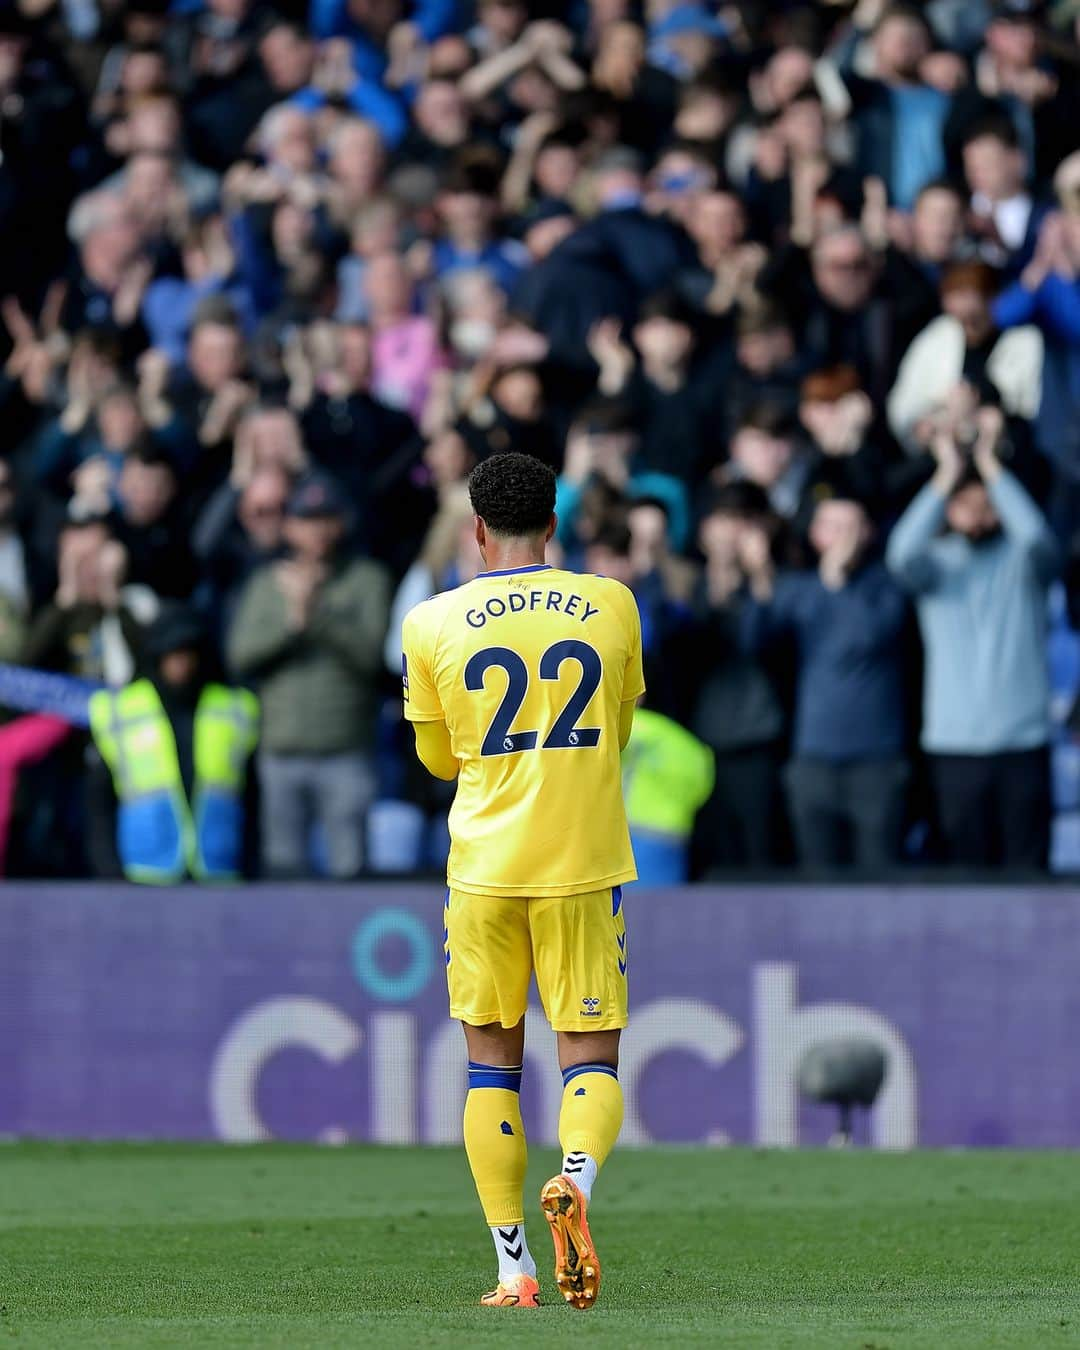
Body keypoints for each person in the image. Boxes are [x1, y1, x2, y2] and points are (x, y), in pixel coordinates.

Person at [401, 452, 643, 1310]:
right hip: (581, 864)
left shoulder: (431, 622)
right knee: (590, 1057)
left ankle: (513, 1271)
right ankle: (574, 1180)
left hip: (485, 872)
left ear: (475, 531)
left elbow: (437, 758)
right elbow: (615, 725)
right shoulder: (611, 604)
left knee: (489, 1070)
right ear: (555, 524)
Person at [886, 409, 1059, 867]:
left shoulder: (1023, 565)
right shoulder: (936, 566)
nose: (978, 514)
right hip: (954, 747)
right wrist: (947, 474)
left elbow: (1039, 538)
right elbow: (900, 551)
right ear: (948, 512)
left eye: (987, 505)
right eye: (966, 505)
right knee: (966, 880)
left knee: (1029, 877)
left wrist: (989, 463)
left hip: (1023, 742)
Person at [226, 471, 390, 879]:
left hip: (346, 749)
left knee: (350, 868)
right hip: (281, 750)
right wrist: (291, 626)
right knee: (283, 870)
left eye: (324, 518)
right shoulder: (267, 583)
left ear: (339, 523)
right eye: (305, 519)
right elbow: (240, 656)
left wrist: (315, 613)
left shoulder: (368, 580)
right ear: (290, 526)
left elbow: (373, 657)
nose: (315, 530)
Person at [88, 605, 259, 883]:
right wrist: (108, 870)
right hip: (144, 871)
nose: (182, 662)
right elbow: (99, 802)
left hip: (217, 870)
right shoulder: (122, 710)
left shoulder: (234, 708)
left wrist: (252, 867)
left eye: (189, 652)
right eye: (173, 653)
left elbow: (251, 796)